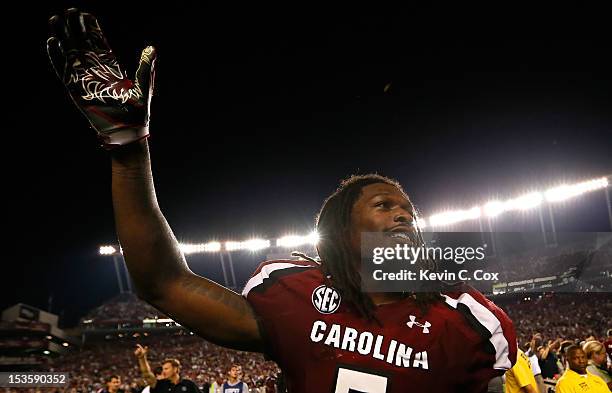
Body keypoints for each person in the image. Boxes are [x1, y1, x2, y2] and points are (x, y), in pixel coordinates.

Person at [47, 8, 517, 392]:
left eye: (408, 211)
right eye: (383, 205)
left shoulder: (468, 320)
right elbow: (162, 282)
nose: (403, 216)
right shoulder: (298, 296)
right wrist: (129, 150)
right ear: (340, 234)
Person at [134, 344, 199, 393]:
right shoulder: (161, 384)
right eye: (163, 369)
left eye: (166, 369)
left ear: (175, 369)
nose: (163, 371)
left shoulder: (189, 384)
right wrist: (142, 358)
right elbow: (147, 374)